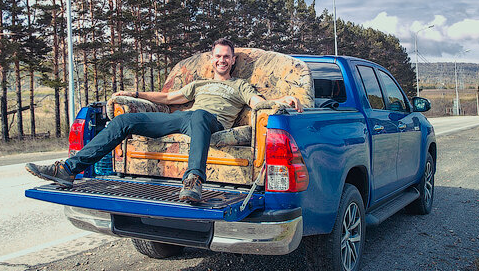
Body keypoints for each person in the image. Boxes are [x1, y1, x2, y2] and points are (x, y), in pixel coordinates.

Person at [25, 39, 303, 203]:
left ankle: (193, 181)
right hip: (185, 119)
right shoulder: (200, 84)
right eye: (217, 56)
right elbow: (169, 99)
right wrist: (133, 93)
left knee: (200, 116)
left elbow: (257, 104)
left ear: (232, 61)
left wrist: (282, 101)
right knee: (128, 121)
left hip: (211, 122)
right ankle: (68, 169)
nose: (222, 60)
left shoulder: (240, 85)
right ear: (212, 59)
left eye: (226, 57)